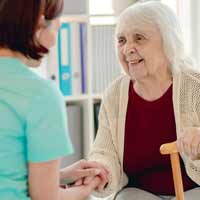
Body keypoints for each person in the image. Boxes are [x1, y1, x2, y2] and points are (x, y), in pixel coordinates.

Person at [88, 1, 200, 200]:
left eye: (139, 38)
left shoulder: (195, 85)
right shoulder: (114, 94)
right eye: (121, 40)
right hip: (138, 194)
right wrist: (99, 170)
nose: (128, 49)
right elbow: (104, 153)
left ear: (168, 43)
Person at [0, 0, 107, 200]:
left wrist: (62, 176)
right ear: (39, 25)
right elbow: (45, 197)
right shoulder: (40, 95)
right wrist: (84, 191)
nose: (54, 42)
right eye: (57, 28)